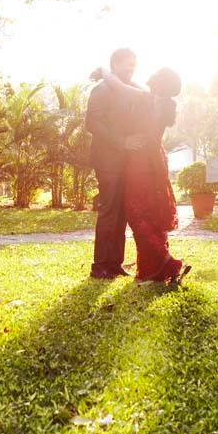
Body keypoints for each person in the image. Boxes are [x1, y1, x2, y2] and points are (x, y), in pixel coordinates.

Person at [92, 64, 191, 284]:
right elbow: (128, 88)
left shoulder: (147, 98)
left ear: (159, 81)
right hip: (155, 158)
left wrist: (104, 71)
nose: (150, 73)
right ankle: (151, 269)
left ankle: (168, 261)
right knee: (151, 211)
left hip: (141, 162)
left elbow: (120, 86)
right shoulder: (164, 103)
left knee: (136, 213)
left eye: (155, 73)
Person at [85, 48, 145, 279]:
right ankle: (100, 265)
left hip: (126, 161)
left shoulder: (131, 90)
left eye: (134, 64)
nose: (133, 68)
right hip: (107, 160)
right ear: (115, 64)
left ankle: (115, 263)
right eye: (128, 64)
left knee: (122, 212)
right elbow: (92, 123)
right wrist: (123, 141)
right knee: (109, 210)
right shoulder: (101, 89)